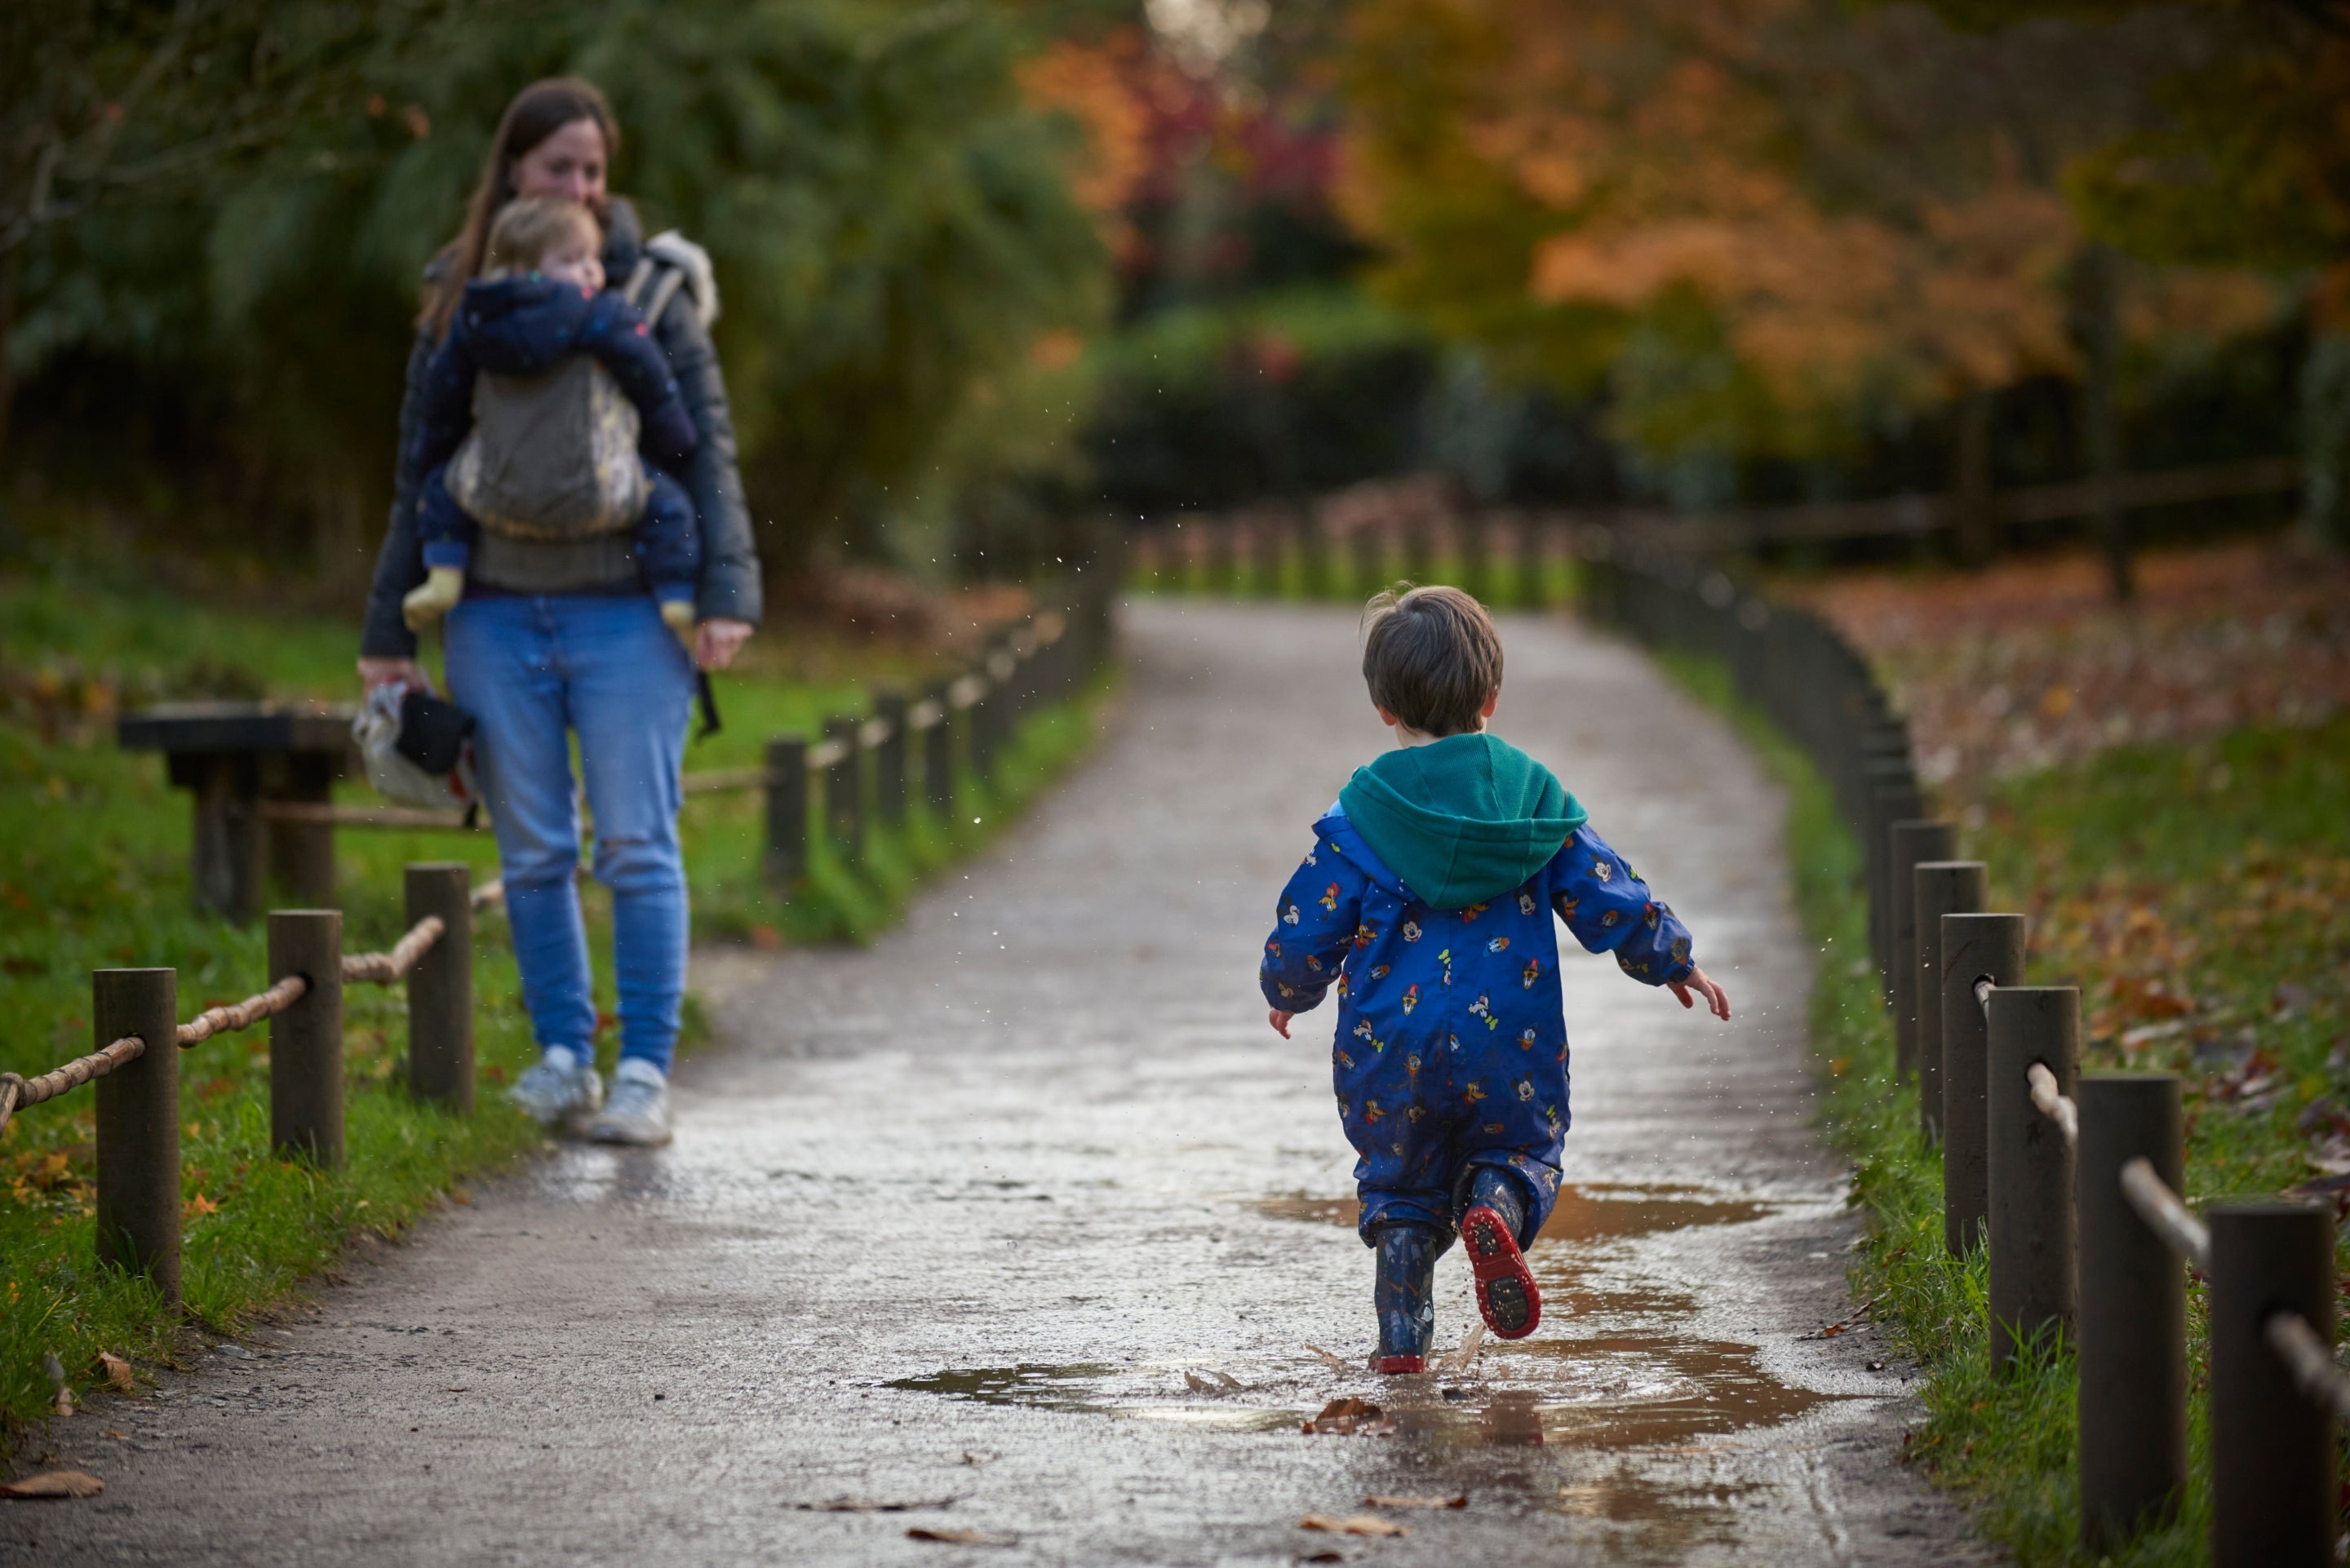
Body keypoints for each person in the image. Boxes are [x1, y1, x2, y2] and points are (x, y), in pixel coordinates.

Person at [358, 78, 763, 1146]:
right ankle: (560, 1058)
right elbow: (421, 466)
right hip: (492, 610)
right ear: (513, 174)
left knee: (636, 841)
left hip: (630, 613)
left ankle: (642, 1074)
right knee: (534, 850)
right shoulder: (459, 293)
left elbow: (705, 447)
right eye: (558, 169)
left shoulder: (655, 292)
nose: (582, 185)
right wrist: (385, 633)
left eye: (594, 168)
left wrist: (727, 592)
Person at [1258, 586, 1732, 1373]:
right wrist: (1671, 957)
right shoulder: (1533, 803)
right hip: (1508, 1043)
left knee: (1404, 1198)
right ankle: (1495, 1207)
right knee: (1520, 1152)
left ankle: (1402, 1355)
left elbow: (1308, 924)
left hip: (1390, 1052)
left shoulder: (1358, 819)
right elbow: (1602, 885)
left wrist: (1287, 991)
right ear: (1491, 696)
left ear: (1383, 708)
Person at [400, 195, 703, 640]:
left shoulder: (475, 321)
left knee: (440, 491)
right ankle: (676, 595)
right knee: (669, 504)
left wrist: (429, 456)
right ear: (524, 269)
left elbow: (441, 400)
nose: (591, 271)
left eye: (592, 259)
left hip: (491, 493)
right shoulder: (603, 314)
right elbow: (651, 380)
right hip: (601, 491)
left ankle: (444, 574)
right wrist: (677, 439)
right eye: (573, 259)